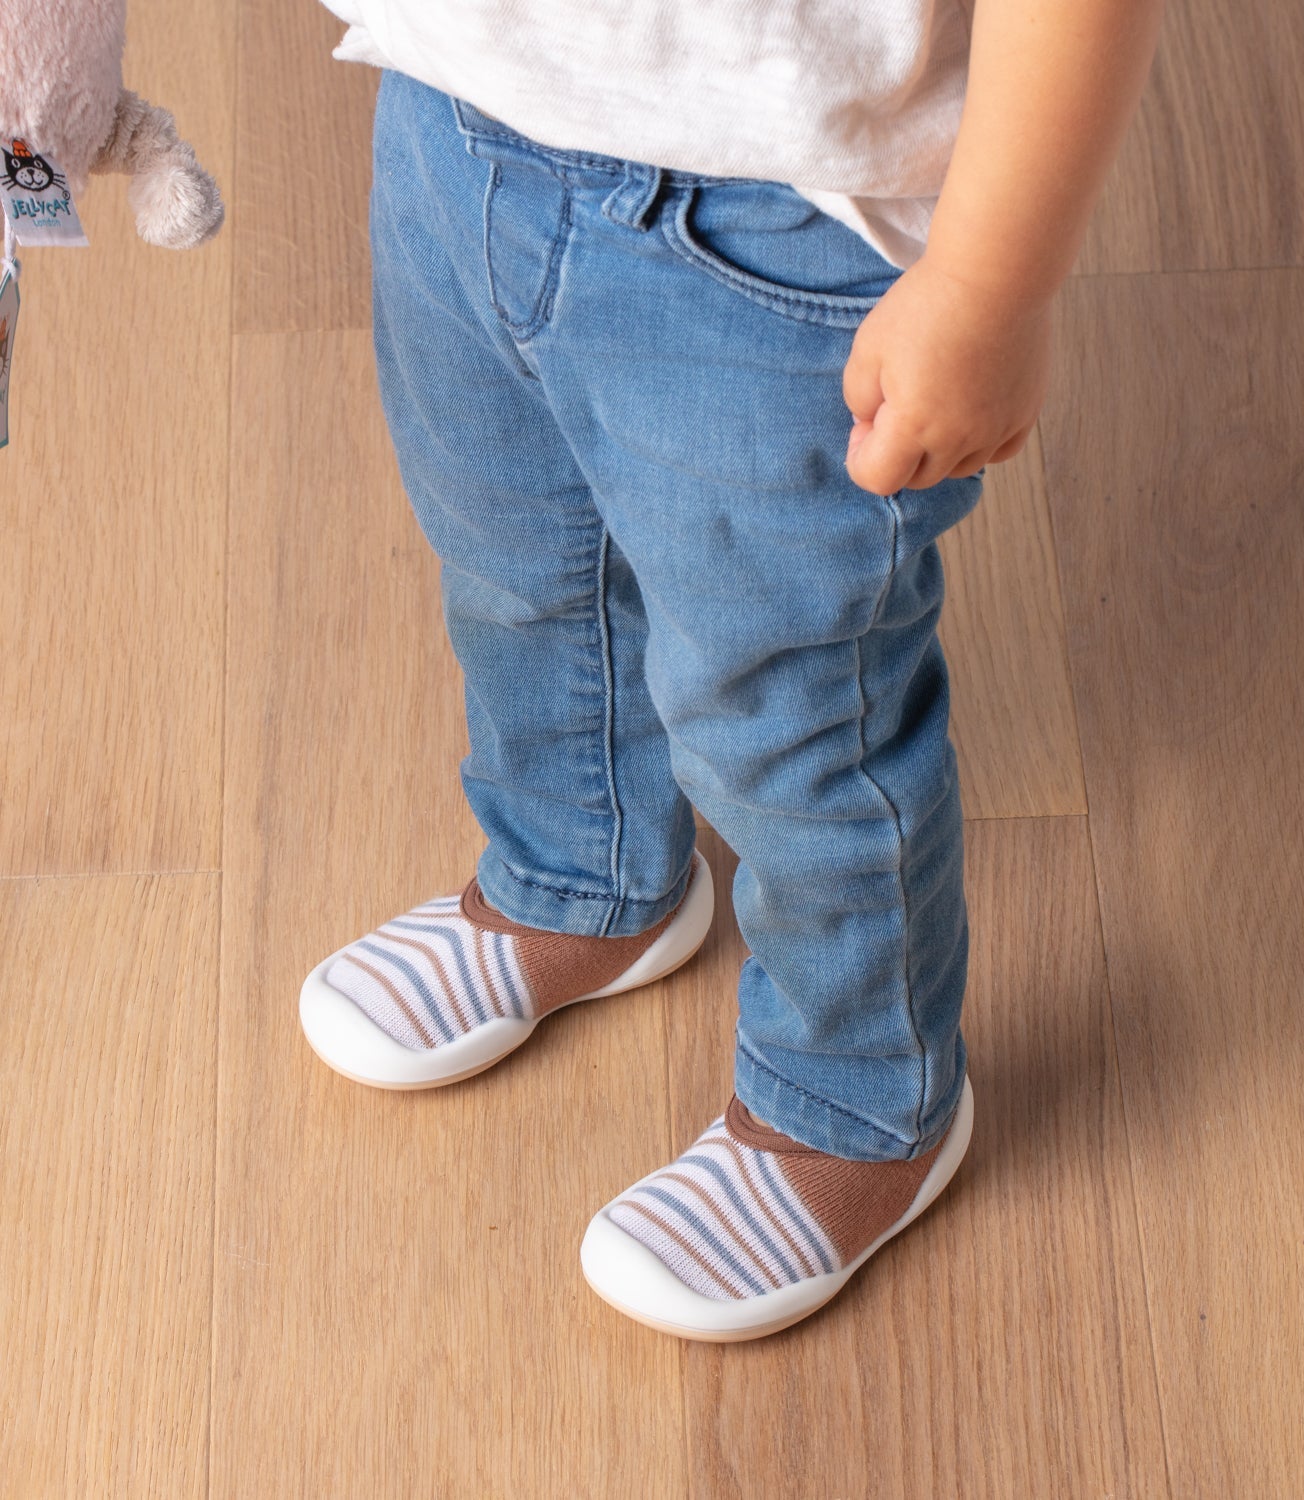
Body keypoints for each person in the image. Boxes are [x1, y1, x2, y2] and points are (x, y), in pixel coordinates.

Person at [298, 0, 1162, 1340]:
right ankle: (581, 877)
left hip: (777, 212)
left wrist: (992, 288)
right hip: (452, 108)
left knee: (790, 712)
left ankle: (859, 1099)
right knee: (516, 568)